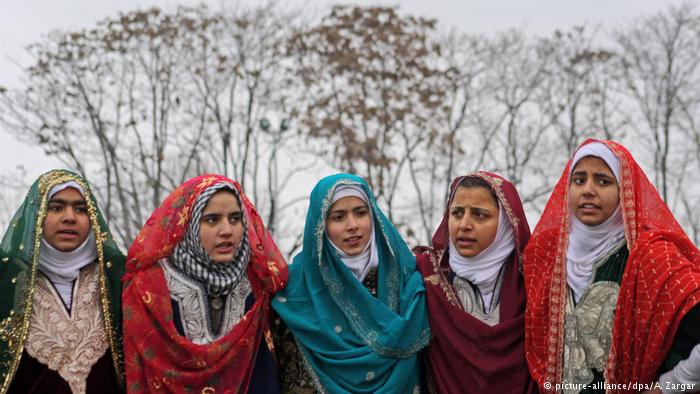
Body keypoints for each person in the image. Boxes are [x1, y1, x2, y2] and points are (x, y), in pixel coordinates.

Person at [524, 139, 700, 393]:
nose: (588, 189)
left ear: (624, 189)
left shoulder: (651, 257)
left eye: (603, 181)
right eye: (579, 179)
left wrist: (669, 386)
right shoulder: (544, 258)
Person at [122, 174, 287, 393]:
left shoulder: (258, 283)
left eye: (236, 219)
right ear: (187, 224)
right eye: (212, 219)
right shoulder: (150, 287)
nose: (227, 230)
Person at [272, 173, 430, 393]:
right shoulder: (295, 291)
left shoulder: (409, 284)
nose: (352, 225)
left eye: (360, 213)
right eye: (338, 217)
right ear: (321, 226)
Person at [0, 169, 125, 394]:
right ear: (37, 214)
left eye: (81, 209)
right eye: (56, 207)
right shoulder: (6, 282)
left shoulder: (118, 279)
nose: (70, 217)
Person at [415, 171, 537, 393]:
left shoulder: (533, 279)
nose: (464, 224)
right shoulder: (425, 273)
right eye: (457, 213)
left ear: (506, 224)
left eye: (480, 215)